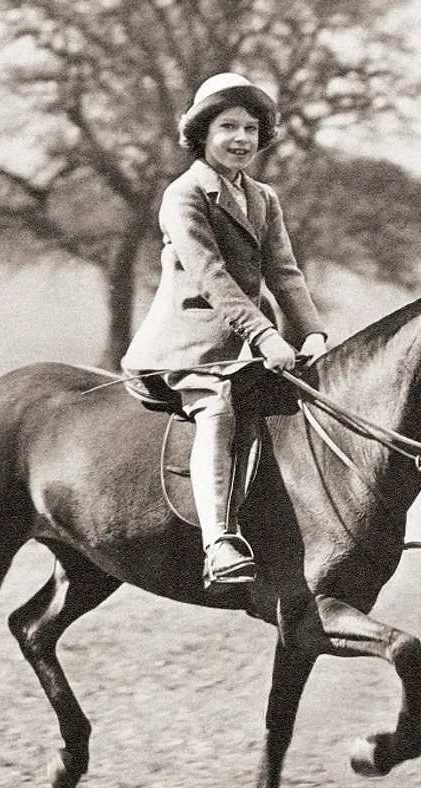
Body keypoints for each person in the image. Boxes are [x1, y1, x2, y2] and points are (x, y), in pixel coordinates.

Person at [122, 72, 327, 587]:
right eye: (228, 127)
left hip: (251, 343)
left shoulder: (263, 197)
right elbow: (212, 277)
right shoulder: (183, 194)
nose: (241, 139)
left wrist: (311, 333)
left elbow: (284, 271)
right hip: (186, 348)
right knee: (218, 408)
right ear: (202, 134)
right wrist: (266, 336)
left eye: (252, 129)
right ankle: (219, 542)